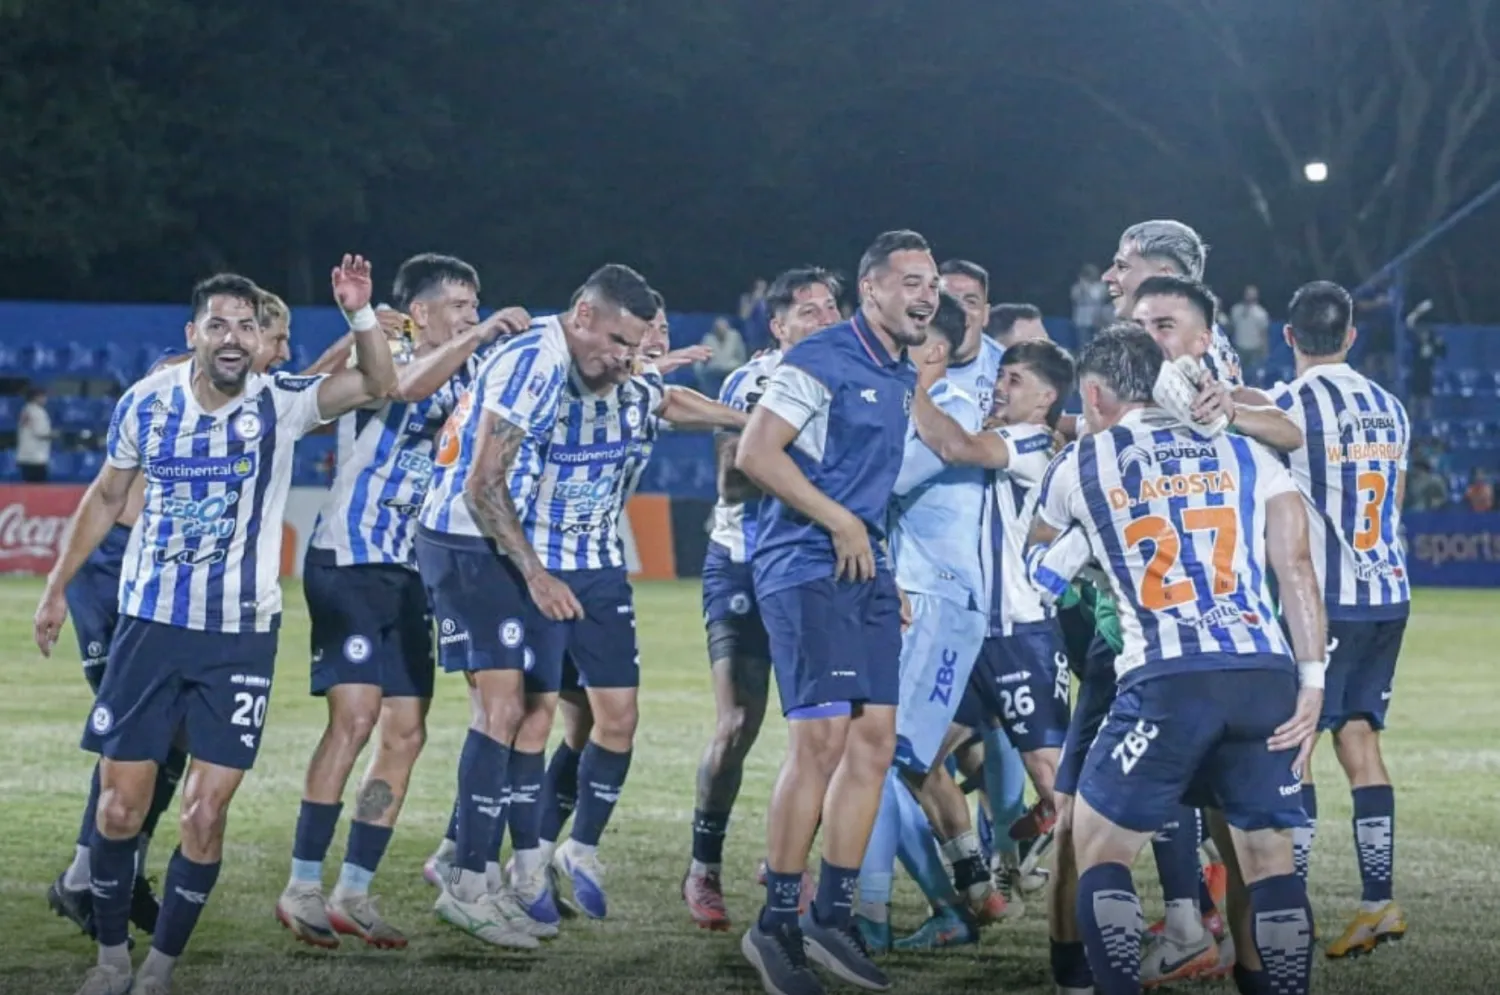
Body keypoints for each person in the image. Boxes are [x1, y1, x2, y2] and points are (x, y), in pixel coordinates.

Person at [34, 260, 398, 995]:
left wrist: (359, 316)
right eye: (220, 324)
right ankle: (109, 962)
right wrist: (55, 583)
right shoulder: (146, 403)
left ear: (261, 338)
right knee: (118, 804)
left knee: (204, 810)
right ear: (193, 334)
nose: (234, 338)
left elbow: (380, 385)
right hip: (148, 629)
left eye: (247, 325)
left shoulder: (281, 402)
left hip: (238, 640)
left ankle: (158, 971)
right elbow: (107, 496)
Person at [1030, 325, 1325, 995]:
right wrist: (1313, 680)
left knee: (1099, 845)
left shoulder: (1083, 459)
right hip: (1265, 674)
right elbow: (1298, 567)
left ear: (1096, 392)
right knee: (1268, 859)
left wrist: (1076, 551)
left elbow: (1037, 573)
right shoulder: (1247, 454)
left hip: (1166, 678)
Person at [277, 254, 531, 950]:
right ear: (419, 312)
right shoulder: (386, 353)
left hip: (413, 571)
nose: (470, 313)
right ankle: (301, 882)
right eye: (458, 303)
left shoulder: (473, 369)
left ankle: (353, 888)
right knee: (355, 718)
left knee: (406, 732)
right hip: (348, 560)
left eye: (476, 304)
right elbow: (408, 387)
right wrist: (472, 339)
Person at [412, 263, 659, 948]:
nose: (622, 357)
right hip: (470, 543)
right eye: (614, 340)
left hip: (484, 540)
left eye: (632, 347)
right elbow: (482, 484)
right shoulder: (537, 361)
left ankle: (504, 875)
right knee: (501, 710)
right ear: (581, 314)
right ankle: (465, 882)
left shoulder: (548, 357)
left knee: (529, 710)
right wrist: (538, 573)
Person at [46, 289, 296, 945]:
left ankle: (97, 874)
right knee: (136, 750)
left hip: (172, 596)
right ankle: (86, 875)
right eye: (281, 338)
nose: (283, 351)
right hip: (117, 585)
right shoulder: (168, 389)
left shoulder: (259, 401)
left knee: (166, 748)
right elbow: (116, 499)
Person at [736, 229, 932, 995]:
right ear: (873, 289)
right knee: (819, 740)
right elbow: (757, 451)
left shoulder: (900, 368)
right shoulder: (818, 357)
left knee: (875, 743)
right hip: (805, 566)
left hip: (864, 570)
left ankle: (832, 915)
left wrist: (879, 554)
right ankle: (776, 921)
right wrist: (840, 522)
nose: (926, 296)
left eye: (933, 283)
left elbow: (871, 483)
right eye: (911, 281)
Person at [684, 266, 843, 931]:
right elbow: (731, 479)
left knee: (822, 733)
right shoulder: (754, 381)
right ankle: (703, 864)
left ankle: (786, 858)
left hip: (817, 569)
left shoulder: (855, 382)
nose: (825, 318)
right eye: (807, 310)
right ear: (778, 328)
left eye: (832, 306)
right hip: (747, 568)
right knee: (738, 724)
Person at [1267, 281, 1411, 959]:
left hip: (1325, 599)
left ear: (1289, 336)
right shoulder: (1392, 407)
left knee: (1297, 744)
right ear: (1352, 336)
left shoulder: (1287, 404)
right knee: (1359, 738)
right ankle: (1377, 901)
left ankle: (1290, 909)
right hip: (1388, 593)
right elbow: (1396, 506)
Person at [853, 292, 997, 953]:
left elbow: (888, 479)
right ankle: (967, 890)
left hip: (940, 602)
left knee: (879, 757)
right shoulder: (917, 405)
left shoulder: (956, 410)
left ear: (933, 350)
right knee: (903, 760)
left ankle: (873, 914)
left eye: (906, 340)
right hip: (916, 598)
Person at [921, 340, 1077, 891]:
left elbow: (954, 444)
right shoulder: (1024, 435)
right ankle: (976, 880)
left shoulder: (1031, 441)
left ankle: (1102, 909)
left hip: (1022, 636)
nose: (999, 385)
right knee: (918, 756)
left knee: (1053, 779)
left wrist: (908, 385)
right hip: (973, 637)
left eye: (1013, 379)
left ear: (1045, 398)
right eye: (1001, 376)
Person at [18, 385, 54, 482]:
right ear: (36, 397)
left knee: (28, 490)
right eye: (43, 396)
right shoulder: (38, 412)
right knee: (38, 490)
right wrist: (55, 435)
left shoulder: (26, 409)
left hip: (25, 456)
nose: (45, 399)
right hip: (36, 458)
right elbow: (41, 433)